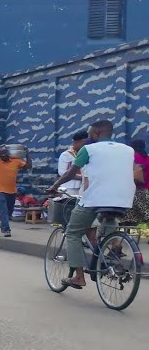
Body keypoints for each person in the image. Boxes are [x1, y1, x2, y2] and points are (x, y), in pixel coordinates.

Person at [48, 119, 136, 289]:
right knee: (109, 222)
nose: (89, 137)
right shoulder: (128, 150)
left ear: (96, 133)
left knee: (73, 233)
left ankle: (79, 277)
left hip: (96, 199)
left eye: (90, 134)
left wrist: (54, 186)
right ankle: (114, 252)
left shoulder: (88, 149)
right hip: (123, 199)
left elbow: (70, 173)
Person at [0, 142, 30, 237]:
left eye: (5, 153)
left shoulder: (16, 161)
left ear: (8, 153)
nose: (3, 155)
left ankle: (3, 224)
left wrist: (27, 154)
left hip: (11, 191)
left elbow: (28, 166)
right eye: (1, 154)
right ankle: (7, 230)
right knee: (4, 211)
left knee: (9, 213)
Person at [57, 131, 88, 195]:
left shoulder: (87, 154)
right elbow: (62, 172)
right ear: (76, 142)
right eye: (84, 143)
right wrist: (82, 178)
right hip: (69, 188)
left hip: (83, 187)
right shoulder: (66, 155)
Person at [128, 138, 149, 224]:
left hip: (137, 191)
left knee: (131, 220)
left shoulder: (134, 157)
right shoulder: (147, 158)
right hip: (147, 191)